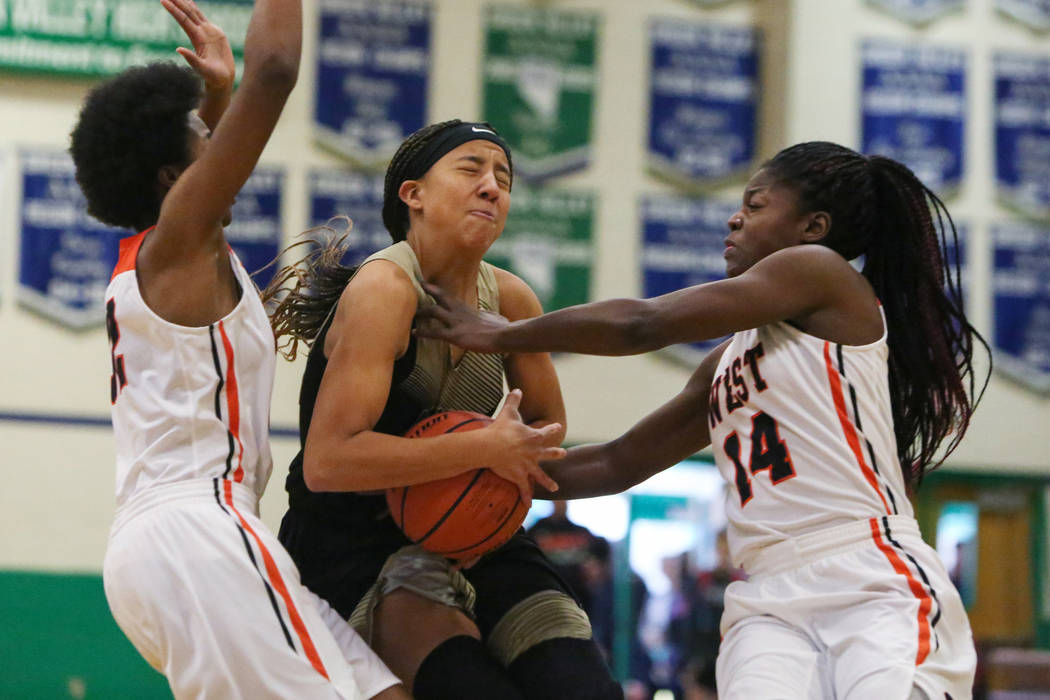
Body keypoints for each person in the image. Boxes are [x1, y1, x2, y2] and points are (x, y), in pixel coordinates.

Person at [418, 141, 990, 699]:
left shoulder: (821, 274)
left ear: (813, 228)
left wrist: (502, 333)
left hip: (866, 575)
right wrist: (477, 463)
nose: (735, 218)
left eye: (757, 204)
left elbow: (643, 324)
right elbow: (618, 461)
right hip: (767, 596)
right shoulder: (728, 361)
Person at [72, 1, 405, 697]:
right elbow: (277, 70)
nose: (214, 141)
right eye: (199, 132)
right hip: (200, 531)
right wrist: (243, 82)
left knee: (384, 691)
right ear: (174, 178)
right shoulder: (174, 249)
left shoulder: (159, 260)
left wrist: (215, 95)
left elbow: (203, 163)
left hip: (183, 542)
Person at [263, 119, 624, 699]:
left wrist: (523, 471)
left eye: (503, 177)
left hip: (479, 535)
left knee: (585, 690)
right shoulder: (385, 290)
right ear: (414, 195)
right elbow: (328, 462)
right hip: (353, 543)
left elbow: (545, 445)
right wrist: (482, 448)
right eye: (471, 169)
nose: (492, 187)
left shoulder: (510, 296)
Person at [527, 500, 600, 611]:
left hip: (577, 592)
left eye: (564, 501)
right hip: (546, 591)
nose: (561, 504)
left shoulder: (580, 531)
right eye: (558, 501)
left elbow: (596, 558)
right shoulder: (538, 530)